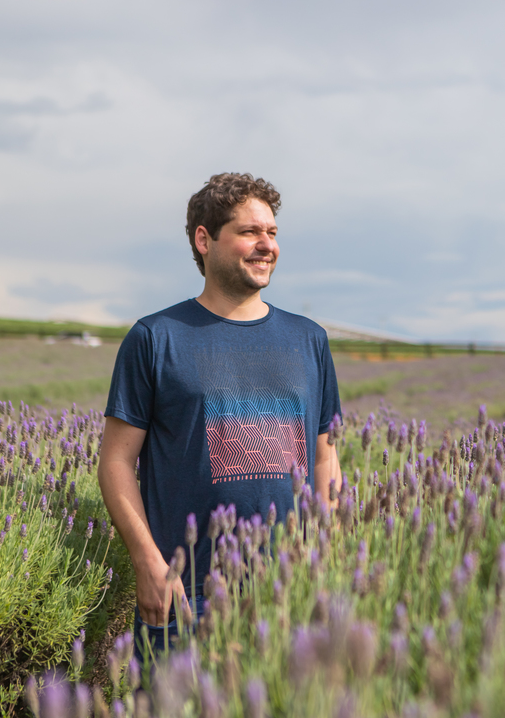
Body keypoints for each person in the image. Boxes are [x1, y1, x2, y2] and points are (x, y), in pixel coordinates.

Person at [97, 173, 342, 660]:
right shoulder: (156, 338)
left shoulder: (309, 339)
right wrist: (147, 562)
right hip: (186, 593)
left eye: (272, 232)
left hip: (289, 588)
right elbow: (116, 462)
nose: (266, 245)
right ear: (204, 240)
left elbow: (324, 458)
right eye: (250, 232)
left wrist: (325, 554)